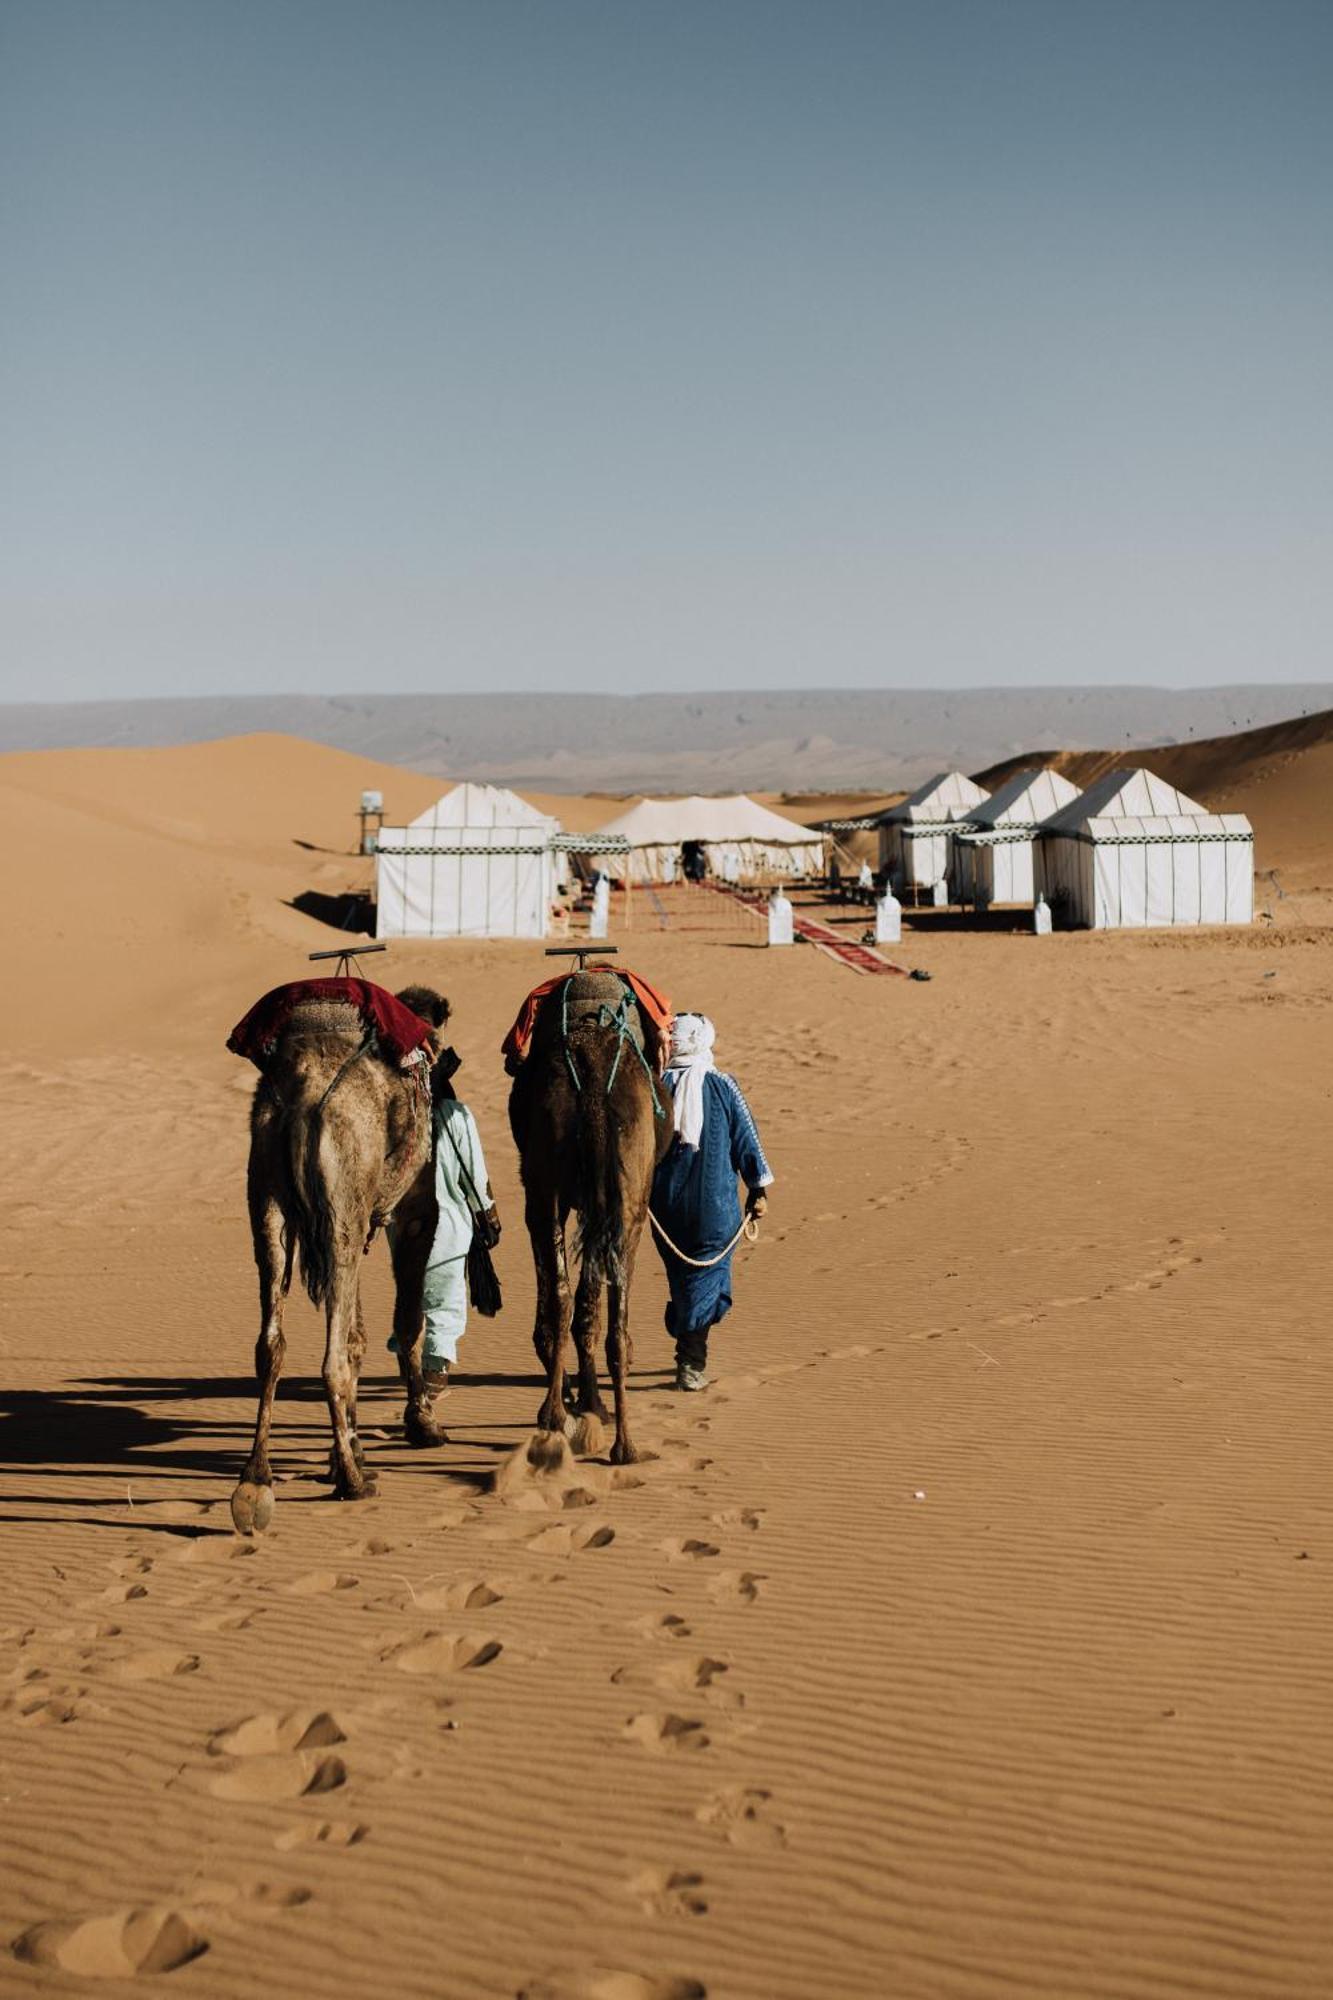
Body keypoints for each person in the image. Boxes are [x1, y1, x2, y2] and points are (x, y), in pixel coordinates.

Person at [651, 1013, 773, 1392]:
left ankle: (687, 1331)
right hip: (714, 1207)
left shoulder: (653, 1086)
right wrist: (758, 1188)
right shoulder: (722, 1085)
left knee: (686, 1279)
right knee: (705, 1282)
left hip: (661, 1207)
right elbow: (745, 1136)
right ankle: (690, 1363)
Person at [389, 1083, 498, 1401]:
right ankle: (433, 1374)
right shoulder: (456, 1116)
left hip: (403, 1226)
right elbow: (475, 1176)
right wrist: (488, 1214)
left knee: (412, 1292)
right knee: (445, 1300)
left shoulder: (394, 1113)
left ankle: (409, 1360)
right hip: (450, 1226)